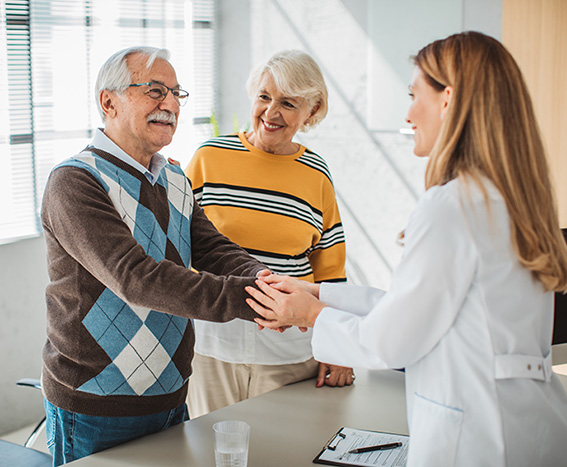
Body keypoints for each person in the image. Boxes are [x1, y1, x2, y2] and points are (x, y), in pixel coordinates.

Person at [246, 32, 567, 466]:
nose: (409, 113)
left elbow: (391, 341)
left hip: (477, 439)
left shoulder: (452, 205)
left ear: (448, 100)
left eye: (415, 94)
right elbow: (421, 310)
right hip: (532, 429)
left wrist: (307, 313)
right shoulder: (514, 199)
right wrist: (320, 292)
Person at [40, 46, 270, 466]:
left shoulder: (175, 177)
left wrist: (264, 279)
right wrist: (250, 298)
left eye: (176, 93)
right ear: (108, 101)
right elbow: (137, 277)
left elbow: (212, 247)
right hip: (96, 406)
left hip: (170, 392)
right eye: (155, 90)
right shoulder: (74, 182)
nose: (169, 103)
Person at [184, 50, 352, 418]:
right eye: (264, 97)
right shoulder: (209, 158)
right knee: (210, 452)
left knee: (283, 453)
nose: (271, 112)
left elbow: (330, 269)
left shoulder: (316, 174)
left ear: (312, 111)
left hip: (288, 348)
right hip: (214, 343)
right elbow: (176, 246)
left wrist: (338, 347)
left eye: (288, 103)